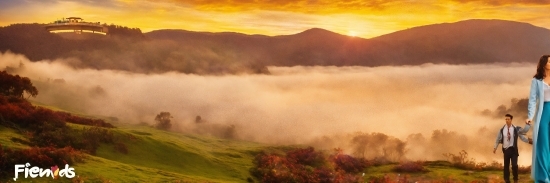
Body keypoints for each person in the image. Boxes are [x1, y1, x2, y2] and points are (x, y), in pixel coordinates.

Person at [527, 55, 550, 182]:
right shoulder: (536, 80)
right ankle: (544, 177)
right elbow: (532, 100)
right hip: (544, 112)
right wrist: (530, 116)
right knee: (543, 146)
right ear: (544, 64)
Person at [493, 114, 531, 183]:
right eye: (506, 119)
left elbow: (523, 133)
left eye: (508, 119)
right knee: (506, 167)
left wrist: (528, 125)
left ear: (511, 120)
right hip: (506, 150)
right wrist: (495, 147)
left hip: (513, 150)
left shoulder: (516, 129)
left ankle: (515, 179)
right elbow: (497, 139)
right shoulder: (502, 130)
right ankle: (507, 180)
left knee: (514, 165)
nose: (507, 120)